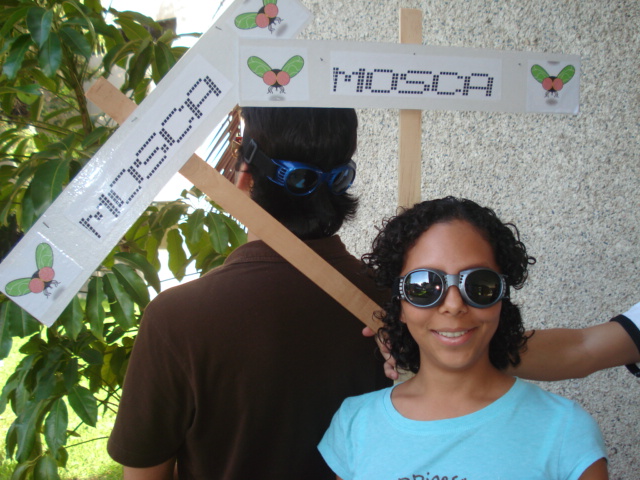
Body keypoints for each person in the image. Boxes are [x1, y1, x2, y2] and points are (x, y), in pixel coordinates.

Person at [108, 107, 639, 480]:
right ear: (344, 183)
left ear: (242, 176)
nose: (452, 304)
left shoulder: (177, 319)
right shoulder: (404, 309)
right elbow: (579, 349)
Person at [319, 197, 609, 480]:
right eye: (424, 286)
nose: (454, 304)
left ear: (502, 298)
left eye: (478, 284)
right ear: (400, 305)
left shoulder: (565, 430)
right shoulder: (355, 423)